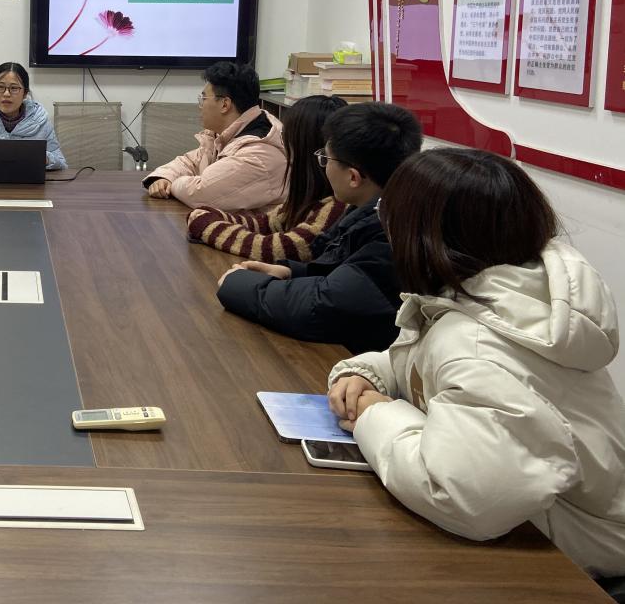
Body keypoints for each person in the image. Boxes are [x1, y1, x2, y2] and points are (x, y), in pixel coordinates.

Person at [326, 148, 625, 587]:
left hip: (578, 559)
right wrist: (366, 373)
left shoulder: (477, 340)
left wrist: (375, 413)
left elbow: (459, 498)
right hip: (551, 518)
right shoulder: (503, 293)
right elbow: (427, 368)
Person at [215, 101, 422, 353]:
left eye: (325, 158)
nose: (323, 167)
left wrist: (237, 285)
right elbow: (340, 274)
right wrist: (290, 272)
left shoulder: (394, 232)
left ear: (353, 177)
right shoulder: (376, 210)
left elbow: (322, 305)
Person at [186, 94, 348, 261]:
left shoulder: (337, 209)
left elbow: (275, 248)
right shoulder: (309, 198)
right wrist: (214, 216)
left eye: (287, 136)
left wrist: (208, 225)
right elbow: (266, 223)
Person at [142, 61, 286, 210]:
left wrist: (171, 185)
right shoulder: (227, 135)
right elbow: (191, 162)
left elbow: (201, 193)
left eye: (203, 99)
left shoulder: (258, 154)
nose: (200, 106)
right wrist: (164, 177)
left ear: (225, 104)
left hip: (256, 225)